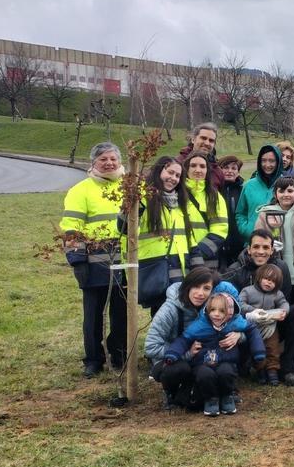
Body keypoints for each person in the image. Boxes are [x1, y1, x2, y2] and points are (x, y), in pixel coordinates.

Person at [60, 142, 128, 378]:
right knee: (93, 315)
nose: (109, 163)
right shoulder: (81, 191)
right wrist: (77, 260)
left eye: (113, 159)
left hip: (125, 263)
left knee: (121, 314)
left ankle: (118, 354)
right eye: (103, 159)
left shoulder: (131, 188)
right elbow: (71, 228)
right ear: (93, 163)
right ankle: (93, 359)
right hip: (94, 262)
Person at [223, 229, 294, 386]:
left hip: (274, 323)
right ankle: (249, 364)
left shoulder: (281, 267)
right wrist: (250, 318)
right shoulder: (235, 270)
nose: (260, 252)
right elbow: (230, 308)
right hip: (245, 325)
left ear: (272, 250)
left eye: (265, 247)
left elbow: (284, 299)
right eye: (256, 247)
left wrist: (280, 313)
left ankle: (287, 369)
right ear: (248, 249)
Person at [145, 267, 237, 409]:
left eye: (206, 288)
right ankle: (170, 392)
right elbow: (151, 347)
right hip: (172, 359)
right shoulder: (169, 310)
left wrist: (238, 335)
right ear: (187, 286)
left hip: (203, 359)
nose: (200, 293)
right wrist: (187, 353)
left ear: (212, 291)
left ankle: (224, 391)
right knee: (179, 369)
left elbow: (242, 324)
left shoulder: (215, 306)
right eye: (196, 286)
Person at [163, 291, 266, 416]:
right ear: (207, 309)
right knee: (205, 375)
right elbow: (184, 339)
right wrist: (173, 353)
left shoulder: (235, 322)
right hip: (203, 362)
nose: (216, 314)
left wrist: (258, 351)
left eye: (221, 311)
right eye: (212, 310)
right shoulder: (200, 325)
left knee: (227, 372)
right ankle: (211, 399)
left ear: (229, 312)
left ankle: (227, 396)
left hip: (226, 359)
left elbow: (252, 330)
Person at [131, 156, 196, 314]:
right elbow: (124, 228)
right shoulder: (143, 198)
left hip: (180, 275)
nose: (173, 178)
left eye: (177, 176)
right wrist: (134, 202)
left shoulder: (180, 205)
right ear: (159, 170)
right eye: (170, 172)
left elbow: (191, 242)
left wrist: (198, 271)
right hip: (157, 274)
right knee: (162, 322)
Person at [252, 176, 294, 300]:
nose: (286, 194)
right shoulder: (266, 214)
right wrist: (268, 245)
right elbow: (257, 238)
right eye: (281, 191)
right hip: (274, 274)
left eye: (290, 191)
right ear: (275, 194)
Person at [239, 263, 290, 386]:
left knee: (273, 348)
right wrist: (252, 310)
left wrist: (284, 312)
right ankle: (260, 370)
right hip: (253, 326)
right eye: (266, 279)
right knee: (258, 349)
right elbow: (239, 303)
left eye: (272, 281)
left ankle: (272, 371)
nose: (268, 283)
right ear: (259, 277)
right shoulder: (248, 290)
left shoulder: (277, 294)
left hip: (270, 326)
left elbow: (284, 303)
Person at [180, 150, 228, 271]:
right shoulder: (177, 194)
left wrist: (197, 253)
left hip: (206, 260)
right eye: (193, 165)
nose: (198, 170)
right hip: (179, 258)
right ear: (186, 169)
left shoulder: (214, 197)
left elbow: (219, 231)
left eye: (202, 166)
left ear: (207, 170)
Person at [235, 144, 282, 240]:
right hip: (253, 241)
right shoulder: (249, 186)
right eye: (263, 160)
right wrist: (246, 230)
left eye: (272, 161)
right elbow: (240, 213)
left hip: (279, 242)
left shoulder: (285, 185)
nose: (267, 165)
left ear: (278, 162)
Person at [216, 154, 245, 269]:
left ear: (238, 172)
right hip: (218, 244)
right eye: (226, 167)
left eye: (234, 168)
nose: (230, 171)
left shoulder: (243, 189)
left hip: (239, 243)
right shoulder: (214, 189)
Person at [176, 122, 223, 189]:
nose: (207, 143)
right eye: (203, 138)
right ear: (193, 139)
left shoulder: (218, 172)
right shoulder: (178, 164)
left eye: (211, 140)